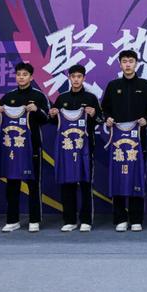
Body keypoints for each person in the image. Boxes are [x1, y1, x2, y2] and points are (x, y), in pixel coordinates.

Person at [0, 62, 50, 233]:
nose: (21, 77)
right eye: (18, 74)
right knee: (12, 183)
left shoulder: (38, 96)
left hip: (32, 147)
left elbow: (47, 118)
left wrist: (37, 110)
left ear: (31, 77)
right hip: (12, 148)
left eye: (25, 74)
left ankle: (34, 220)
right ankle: (12, 220)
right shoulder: (8, 97)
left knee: (33, 184)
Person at [101, 50, 147, 232]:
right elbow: (104, 109)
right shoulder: (113, 85)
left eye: (131, 61)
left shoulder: (145, 85)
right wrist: (108, 118)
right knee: (118, 177)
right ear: (120, 64)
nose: (128, 64)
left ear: (136, 63)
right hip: (117, 141)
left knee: (136, 176)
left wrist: (146, 119)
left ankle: (136, 219)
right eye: (124, 61)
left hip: (138, 140)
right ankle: (120, 218)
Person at [48, 64, 103, 232]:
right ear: (69, 78)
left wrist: (94, 114)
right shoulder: (62, 98)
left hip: (85, 147)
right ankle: (69, 220)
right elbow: (53, 122)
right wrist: (52, 114)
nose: (76, 79)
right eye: (73, 76)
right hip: (65, 148)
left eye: (79, 76)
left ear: (84, 78)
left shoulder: (91, 98)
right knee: (67, 183)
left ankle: (86, 220)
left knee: (85, 183)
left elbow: (101, 119)